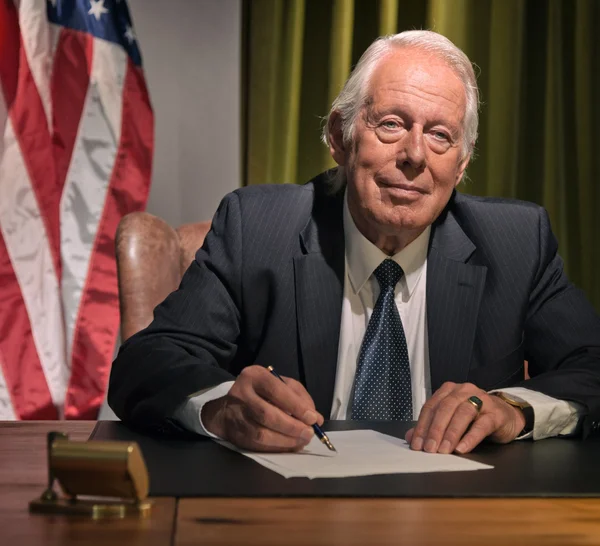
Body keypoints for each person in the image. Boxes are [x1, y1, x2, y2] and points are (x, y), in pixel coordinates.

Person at [108, 30, 600, 455]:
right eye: (391, 124)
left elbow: (592, 365)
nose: (414, 155)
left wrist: (513, 409)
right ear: (340, 137)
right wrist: (220, 407)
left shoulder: (517, 243)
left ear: (462, 164)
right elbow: (145, 364)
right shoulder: (256, 228)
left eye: (440, 136)